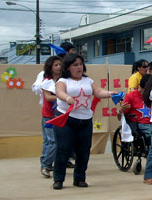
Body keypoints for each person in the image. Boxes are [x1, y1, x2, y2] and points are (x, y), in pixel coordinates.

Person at [52, 53, 117, 190]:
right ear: (68, 67)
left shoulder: (88, 81)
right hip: (66, 118)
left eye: (81, 64)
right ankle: (58, 179)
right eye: (75, 65)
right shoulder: (63, 81)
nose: (79, 67)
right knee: (63, 150)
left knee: (83, 151)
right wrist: (68, 98)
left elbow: (98, 92)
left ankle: (80, 178)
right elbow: (59, 92)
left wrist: (110, 93)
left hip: (85, 120)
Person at [39, 56, 62, 178]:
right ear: (50, 67)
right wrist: (64, 97)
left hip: (60, 114)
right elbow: (48, 97)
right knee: (52, 141)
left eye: (60, 64)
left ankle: (45, 163)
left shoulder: (63, 80)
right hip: (48, 116)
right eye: (56, 65)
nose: (59, 67)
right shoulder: (46, 81)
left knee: (50, 141)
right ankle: (46, 165)